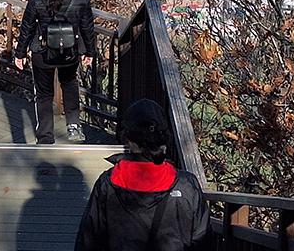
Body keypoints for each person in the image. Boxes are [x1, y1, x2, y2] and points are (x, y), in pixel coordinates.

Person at [74, 99, 209, 251]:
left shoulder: (108, 183)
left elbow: (88, 241)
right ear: (163, 138)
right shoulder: (186, 185)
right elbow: (201, 238)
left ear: (130, 140)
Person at [13, 0, 95, 144]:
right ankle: (74, 126)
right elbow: (87, 27)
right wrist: (90, 51)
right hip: (70, 51)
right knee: (70, 84)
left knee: (43, 94)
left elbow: (27, 26)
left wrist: (20, 52)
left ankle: (45, 135)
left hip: (42, 52)